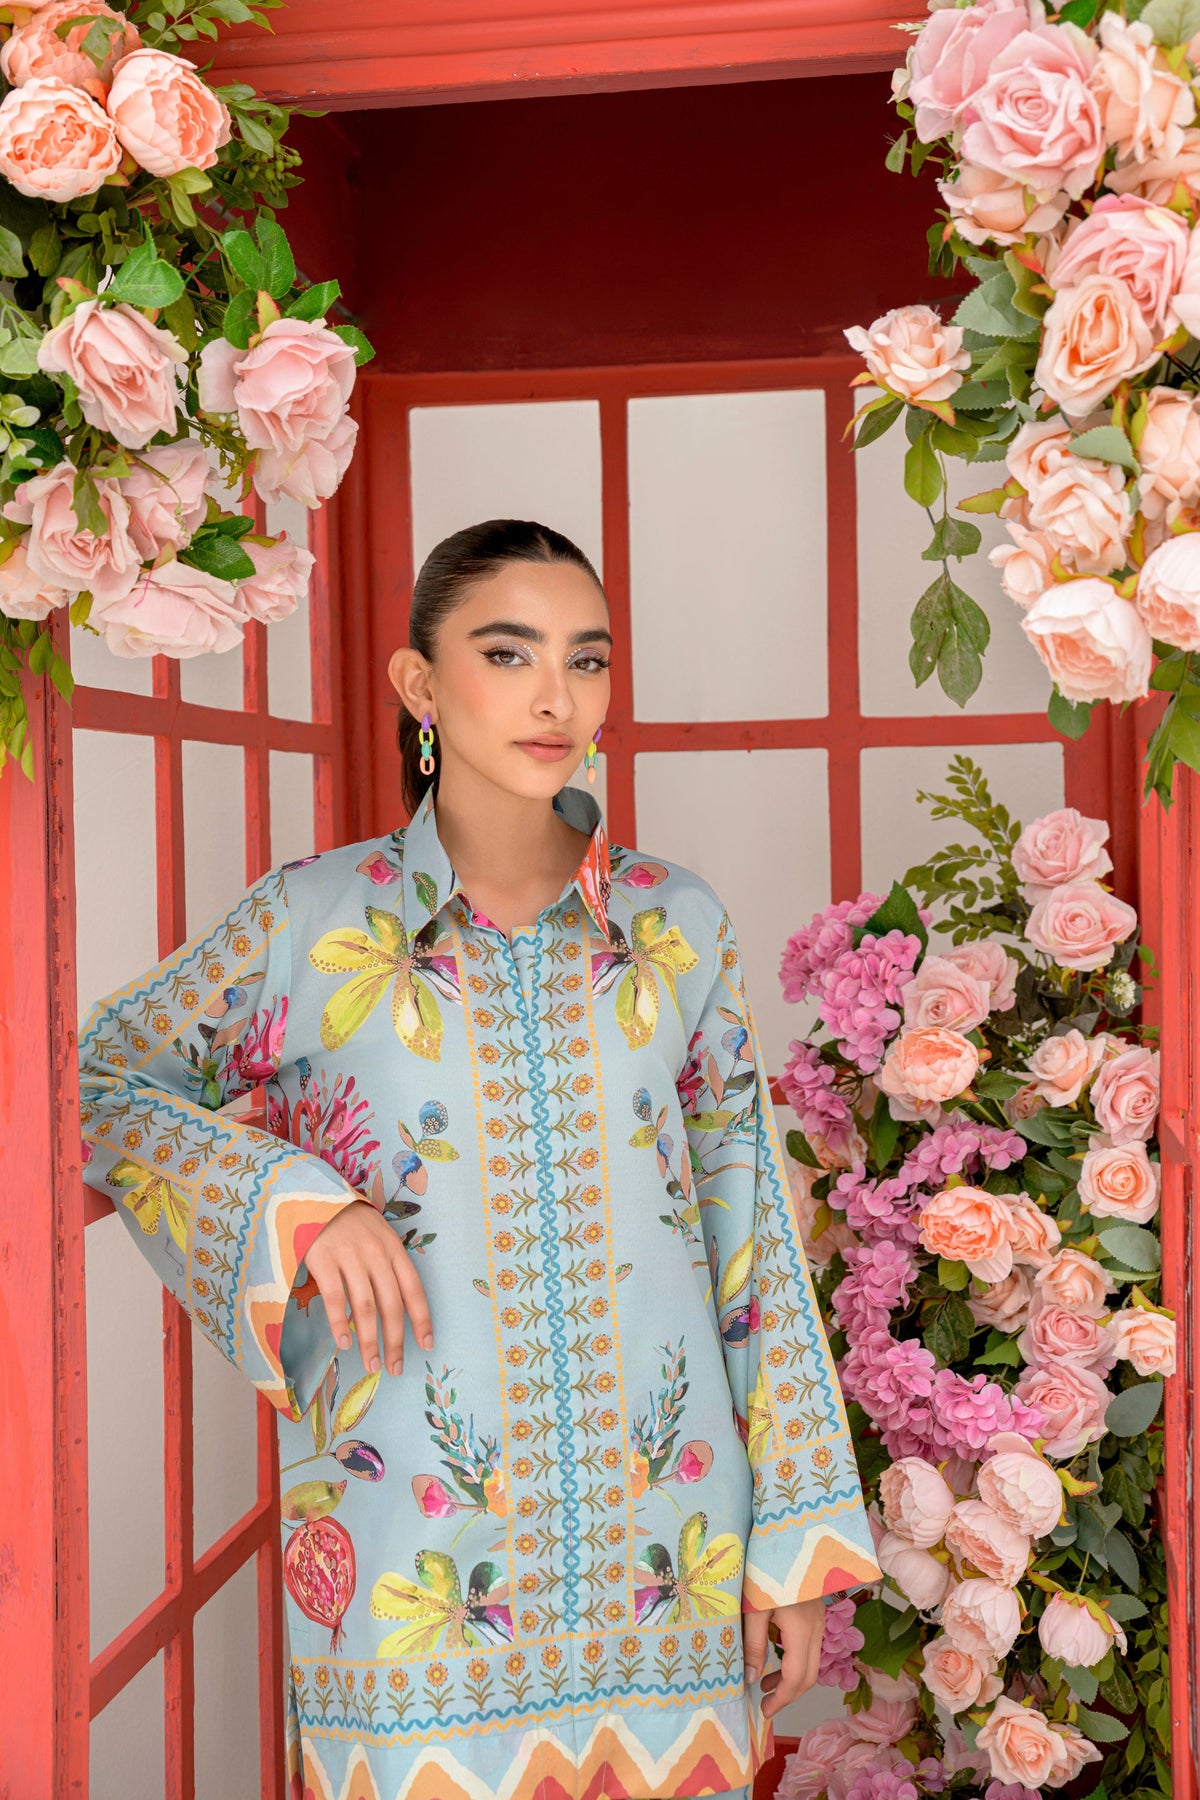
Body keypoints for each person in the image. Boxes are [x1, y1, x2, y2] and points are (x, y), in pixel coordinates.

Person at [78, 519, 881, 1800]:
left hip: (670, 1557)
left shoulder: (676, 924)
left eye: (587, 658)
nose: (557, 696)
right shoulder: (315, 919)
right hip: (412, 1569)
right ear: (420, 683)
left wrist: (791, 1540)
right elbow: (96, 1085)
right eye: (508, 653)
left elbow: (752, 1234)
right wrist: (294, 1203)